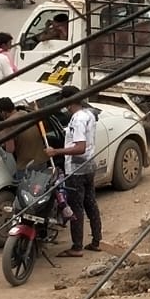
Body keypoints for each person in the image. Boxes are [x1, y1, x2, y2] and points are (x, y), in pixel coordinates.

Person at [45, 86, 102, 256]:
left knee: (76, 208)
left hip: (77, 170)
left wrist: (56, 152)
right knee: (91, 203)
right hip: (89, 165)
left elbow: (79, 147)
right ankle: (97, 240)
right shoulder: (89, 114)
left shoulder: (77, 120)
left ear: (70, 102)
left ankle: (77, 247)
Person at [0, 95, 47, 174]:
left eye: (0, 113)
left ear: (3, 112)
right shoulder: (26, 114)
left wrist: (2, 145)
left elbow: (10, 149)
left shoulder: (8, 123)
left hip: (26, 165)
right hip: (42, 160)